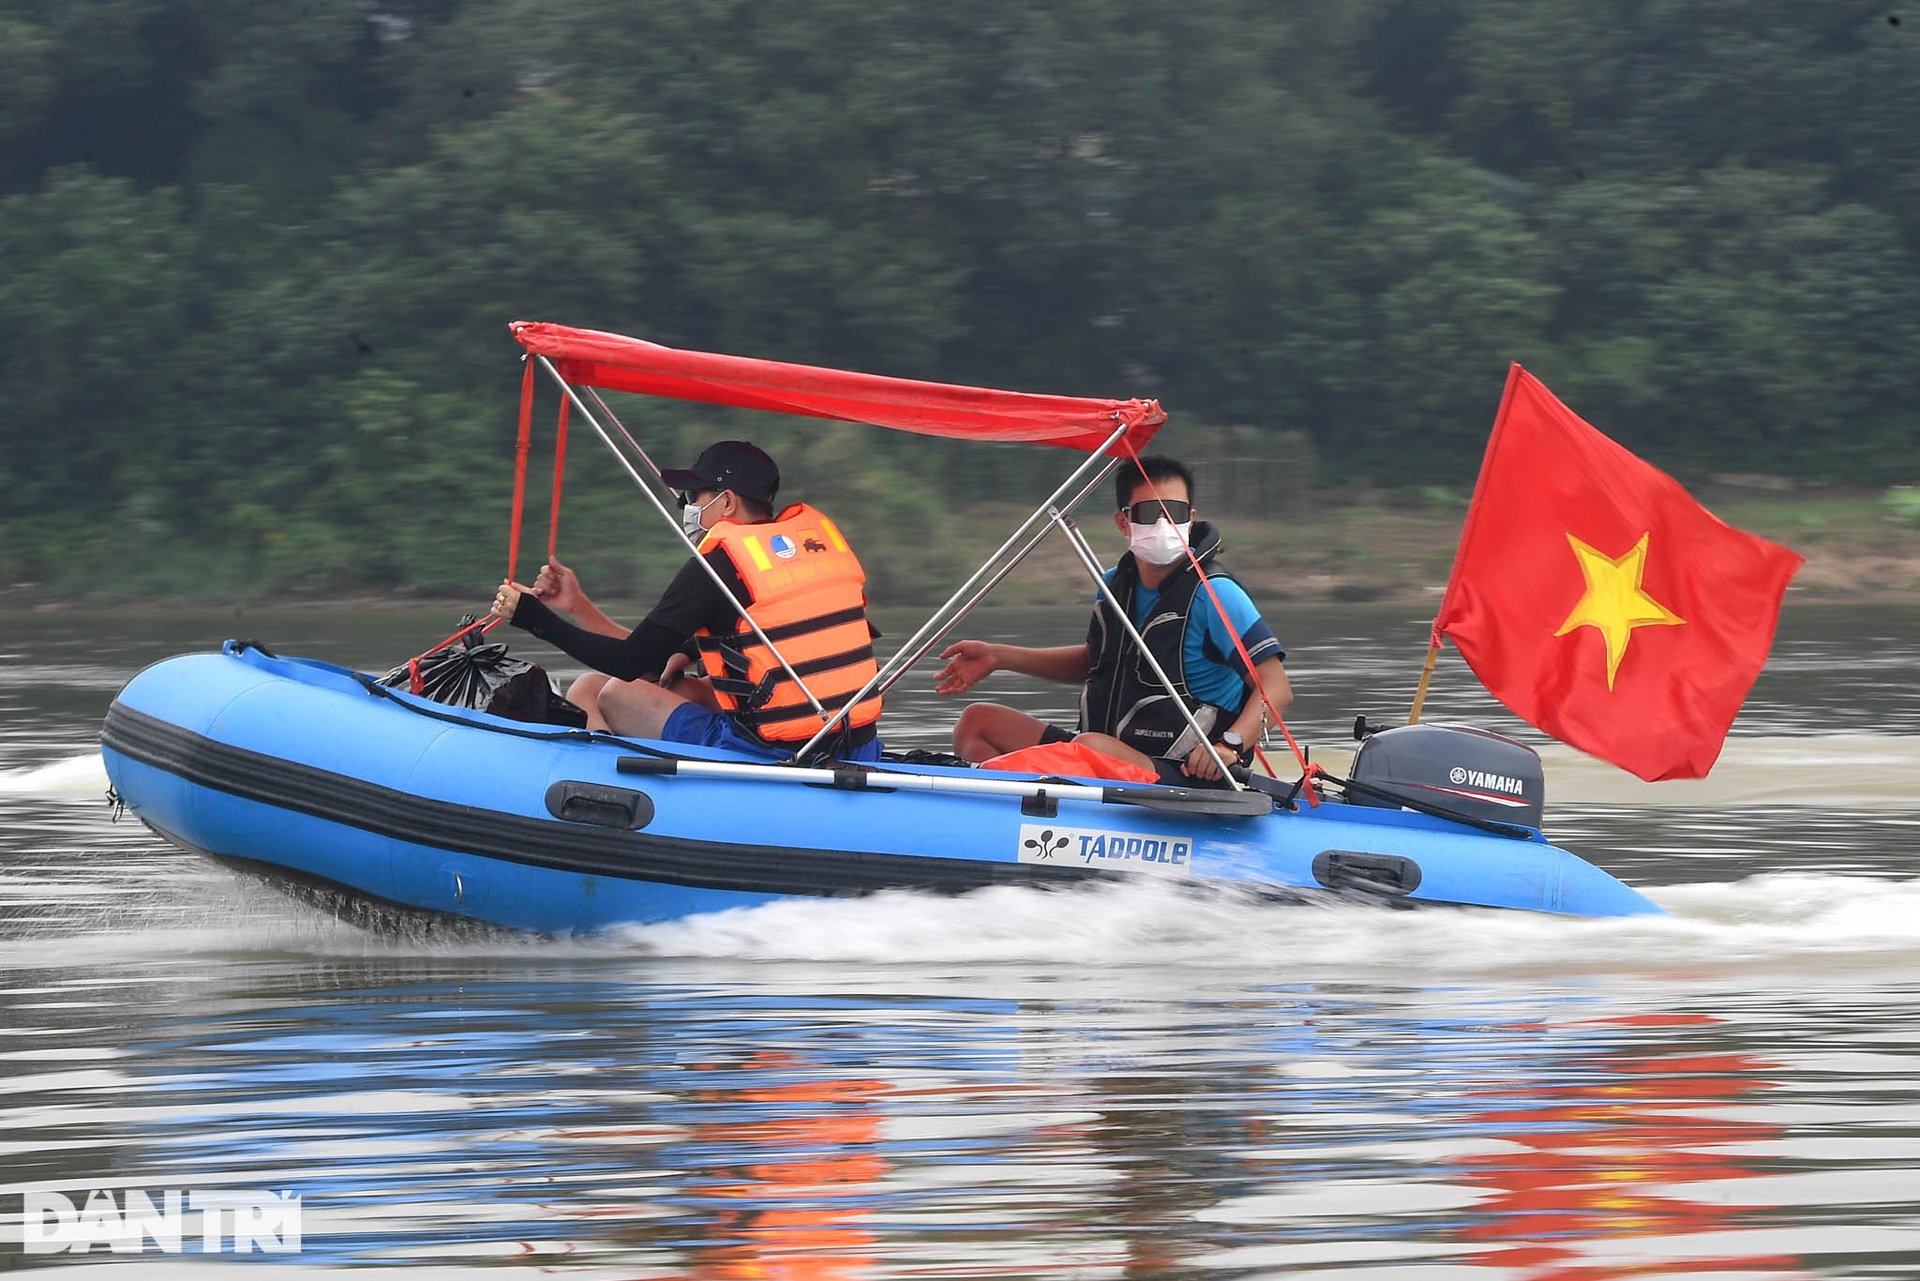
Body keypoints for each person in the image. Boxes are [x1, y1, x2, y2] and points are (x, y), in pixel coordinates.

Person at [490, 440, 884, 761]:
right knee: (670, 686)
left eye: (694, 497)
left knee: (604, 690)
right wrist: (578, 608)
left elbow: (627, 664)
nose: (689, 508)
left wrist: (532, 616)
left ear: (727, 502)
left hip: (777, 750)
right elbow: (649, 657)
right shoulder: (810, 555)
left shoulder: (717, 566)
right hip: (856, 743)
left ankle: (608, 792)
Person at [934, 455, 1290, 784]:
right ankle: (1003, 806)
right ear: (1124, 521)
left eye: (1176, 512)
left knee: (1092, 747)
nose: (1165, 524)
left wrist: (1229, 745)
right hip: (1105, 751)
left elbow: (1276, 687)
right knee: (977, 722)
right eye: (1151, 512)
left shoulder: (1216, 594)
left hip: (1179, 771)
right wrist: (999, 656)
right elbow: (1099, 662)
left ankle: (1012, 788)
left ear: (1191, 518)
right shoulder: (1112, 584)